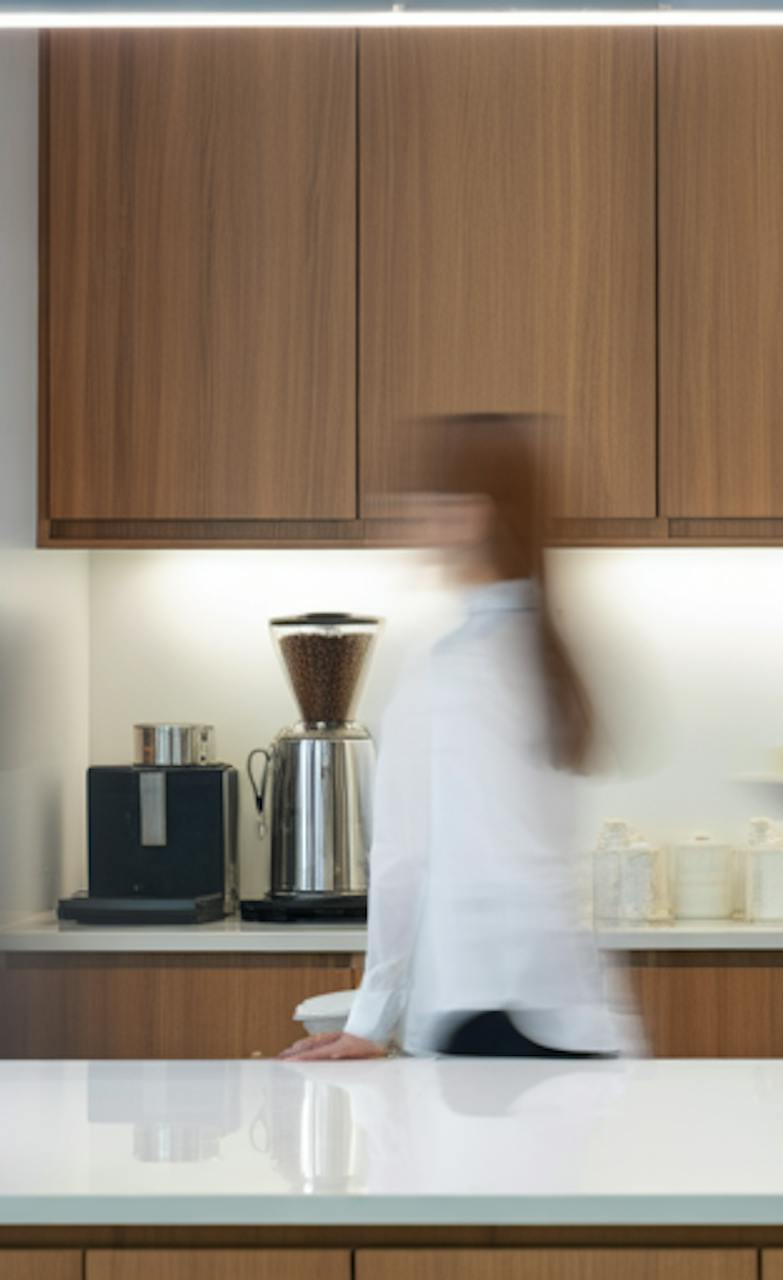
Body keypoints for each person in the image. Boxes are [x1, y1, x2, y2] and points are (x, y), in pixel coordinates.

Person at [281, 414, 641, 1061]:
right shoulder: (545, 648)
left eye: (421, 506)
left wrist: (370, 1019)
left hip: (483, 1011)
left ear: (470, 516)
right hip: (564, 1007)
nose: (407, 526)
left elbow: (401, 859)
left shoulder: (451, 667)